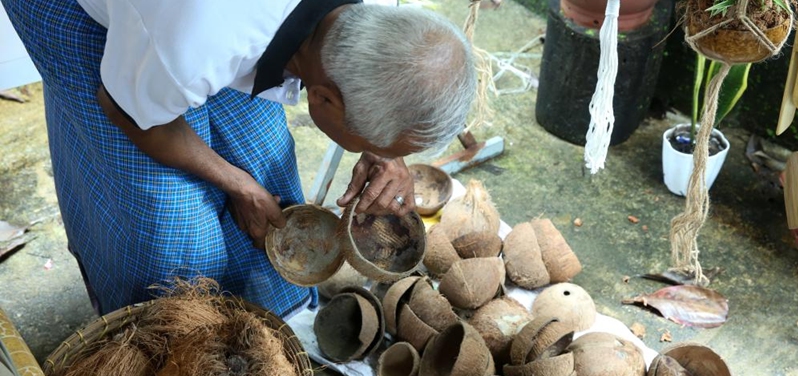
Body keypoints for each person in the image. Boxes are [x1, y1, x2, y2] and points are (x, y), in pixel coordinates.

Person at [2, 0, 477, 317]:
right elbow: (128, 112)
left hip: (195, 25)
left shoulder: (378, 19)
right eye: (386, 151)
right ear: (324, 100)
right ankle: (157, 341)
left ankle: (271, 320)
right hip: (97, 12)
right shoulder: (191, 46)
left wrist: (381, 149)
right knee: (171, 230)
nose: (389, 163)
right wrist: (238, 184)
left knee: (264, 157)